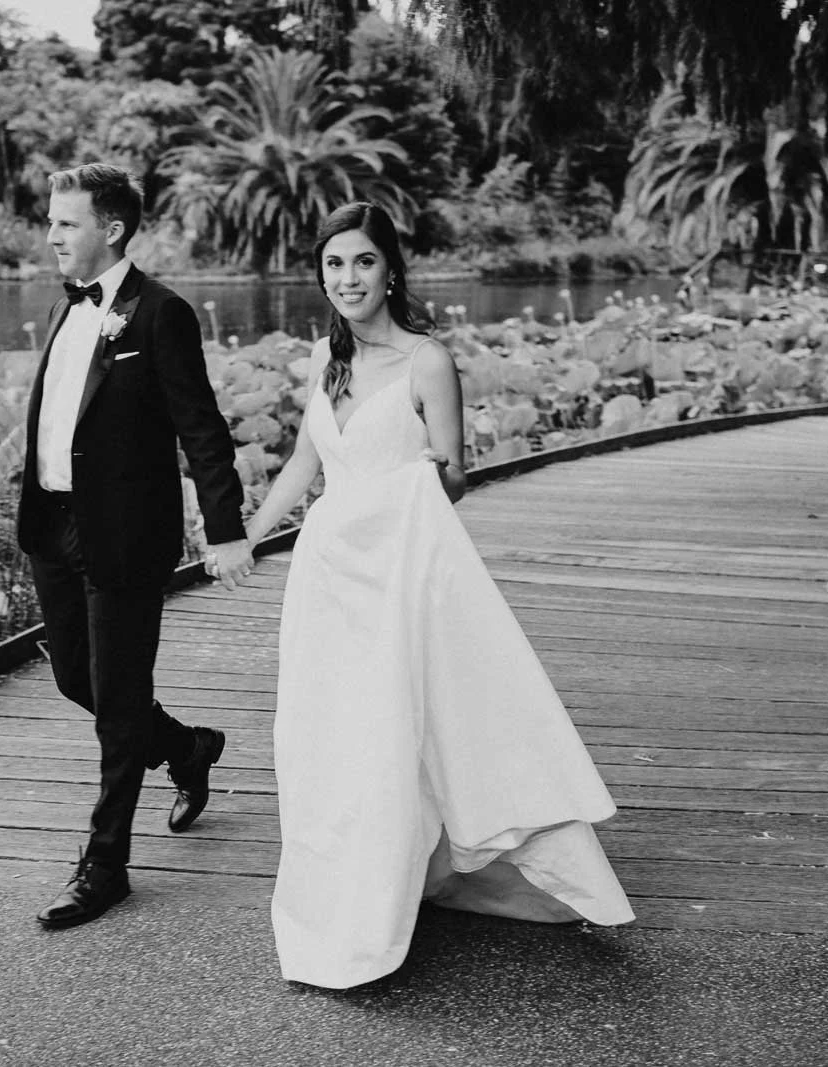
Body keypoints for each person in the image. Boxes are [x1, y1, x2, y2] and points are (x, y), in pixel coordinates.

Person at [244, 202, 634, 989]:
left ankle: (395, 888)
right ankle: (355, 876)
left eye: (362, 262)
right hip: (328, 575)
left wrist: (412, 485)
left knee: (397, 722)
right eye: (334, 265)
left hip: (397, 572)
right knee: (329, 729)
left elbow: (452, 477)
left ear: (391, 269)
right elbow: (302, 466)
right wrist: (245, 536)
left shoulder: (428, 360)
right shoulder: (325, 357)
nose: (347, 279)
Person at [18, 163, 254, 929]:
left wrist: (223, 529)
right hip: (53, 524)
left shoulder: (159, 315)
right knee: (75, 677)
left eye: (65, 222)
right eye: (51, 221)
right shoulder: (67, 308)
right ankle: (188, 748)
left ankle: (104, 865)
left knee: (117, 701)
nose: (51, 234)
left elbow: (202, 428)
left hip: (123, 532)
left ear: (110, 229)